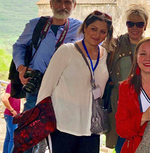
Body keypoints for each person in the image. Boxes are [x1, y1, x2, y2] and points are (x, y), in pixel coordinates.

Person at [37, 10, 113, 152]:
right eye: (93, 29)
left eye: (103, 32)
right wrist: (40, 122)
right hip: (63, 124)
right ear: (85, 28)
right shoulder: (66, 51)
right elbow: (46, 87)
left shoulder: (104, 55)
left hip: (91, 126)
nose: (97, 35)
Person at [13, 0, 82, 111]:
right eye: (58, 1)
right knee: (30, 124)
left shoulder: (80, 28)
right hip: (37, 85)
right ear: (51, 4)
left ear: (74, 5)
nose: (63, 6)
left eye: (67, 2)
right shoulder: (35, 25)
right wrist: (21, 68)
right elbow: (19, 46)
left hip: (64, 86)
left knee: (61, 126)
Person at [115, 37, 150, 153]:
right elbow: (121, 129)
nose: (148, 58)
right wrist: (144, 117)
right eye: (143, 54)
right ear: (136, 57)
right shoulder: (126, 87)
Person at [106, 5, 149, 148]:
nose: (134, 27)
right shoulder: (115, 45)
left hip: (143, 104)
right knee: (121, 144)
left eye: (139, 24)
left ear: (146, 25)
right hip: (120, 103)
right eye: (130, 23)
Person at [1, 82, 21, 153]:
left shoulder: (17, 86)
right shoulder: (12, 85)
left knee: (9, 137)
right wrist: (12, 110)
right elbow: (4, 99)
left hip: (11, 115)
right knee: (13, 138)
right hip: (11, 115)